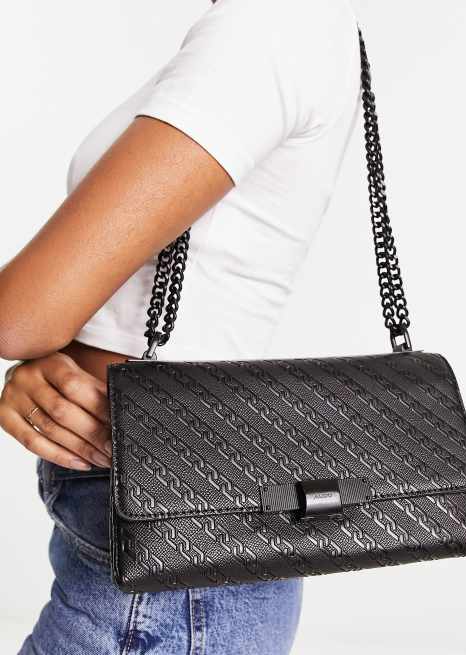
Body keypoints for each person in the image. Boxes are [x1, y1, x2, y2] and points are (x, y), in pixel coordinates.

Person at [0, 0, 360, 653]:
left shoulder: (270, 23)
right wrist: (49, 364)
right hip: (163, 511)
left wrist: (36, 340)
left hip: (176, 528)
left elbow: (20, 316)